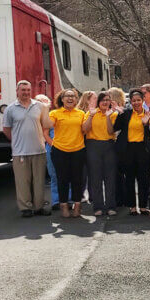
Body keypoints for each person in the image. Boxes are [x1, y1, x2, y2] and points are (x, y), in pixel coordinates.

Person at [2, 81, 52, 217]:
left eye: (28, 90)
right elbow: (6, 129)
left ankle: (39, 207)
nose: (26, 92)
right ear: (17, 91)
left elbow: (47, 124)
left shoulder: (40, 106)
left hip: (39, 150)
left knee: (39, 181)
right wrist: (17, 140)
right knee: (23, 181)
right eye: (23, 90)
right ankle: (25, 208)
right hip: (20, 152)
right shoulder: (10, 109)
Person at [49, 89, 86, 218]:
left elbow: (85, 130)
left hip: (78, 150)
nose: (70, 98)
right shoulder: (55, 113)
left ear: (76, 99)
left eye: (73, 96)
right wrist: (52, 143)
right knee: (62, 180)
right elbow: (46, 128)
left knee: (77, 179)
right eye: (67, 96)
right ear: (62, 99)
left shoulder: (81, 113)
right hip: (60, 151)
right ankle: (63, 205)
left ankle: (77, 205)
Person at [113, 89, 150, 215]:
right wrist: (119, 114)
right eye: (133, 100)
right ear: (131, 101)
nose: (136, 103)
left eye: (138, 100)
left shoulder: (148, 113)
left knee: (144, 179)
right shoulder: (126, 113)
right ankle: (132, 206)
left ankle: (143, 206)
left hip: (143, 149)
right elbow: (116, 128)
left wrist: (146, 124)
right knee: (129, 178)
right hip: (128, 149)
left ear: (142, 101)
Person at [82, 91, 118, 216]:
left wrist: (108, 116)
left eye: (107, 100)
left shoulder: (113, 114)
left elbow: (110, 131)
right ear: (98, 102)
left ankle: (110, 206)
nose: (105, 102)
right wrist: (91, 116)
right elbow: (84, 129)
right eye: (102, 100)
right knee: (95, 178)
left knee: (110, 177)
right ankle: (97, 206)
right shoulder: (91, 113)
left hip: (109, 146)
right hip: (93, 146)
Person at [35, 94, 62, 210]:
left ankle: (69, 199)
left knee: (66, 175)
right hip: (44, 149)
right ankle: (56, 201)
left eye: (45, 101)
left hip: (56, 147)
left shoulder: (53, 115)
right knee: (54, 175)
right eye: (39, 101)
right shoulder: (33, 116)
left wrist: (55, 146)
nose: (42, 103)